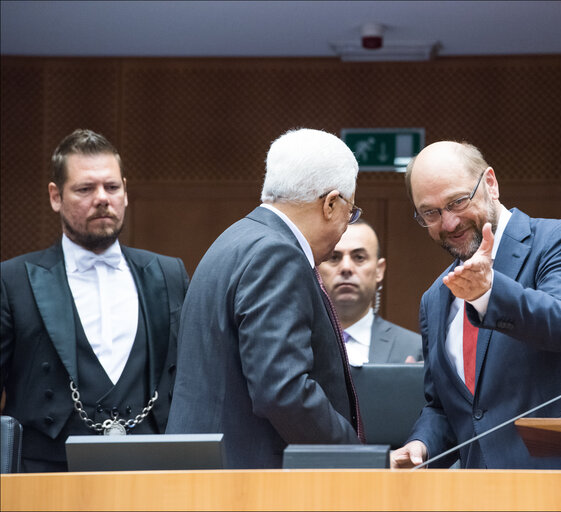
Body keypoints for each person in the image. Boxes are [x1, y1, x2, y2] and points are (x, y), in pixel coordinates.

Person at [390, 140, 561, 470]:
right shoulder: (435, 298)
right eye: (430, 213)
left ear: (490, 183)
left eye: (457, 202)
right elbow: (445, 408)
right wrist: (421, 444)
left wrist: (486, 293)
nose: (448, 223)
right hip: (487, 491)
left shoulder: (560, 241)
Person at [166, 128, 364, 469]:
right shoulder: (276, 254)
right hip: (247, 483)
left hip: (208, 473)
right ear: (331, 203)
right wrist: (356, 456)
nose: (348, 224)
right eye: (351, 211)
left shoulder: (234, 240)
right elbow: (283, 391)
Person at [0, 129, 189, 473]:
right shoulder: (12, 280)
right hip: (46, 477)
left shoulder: (168, 273)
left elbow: (193, 378)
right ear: (55, 196)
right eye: (85, 189)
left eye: (112, 187)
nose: (102, 198)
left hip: (153, 468)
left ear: (126, 192)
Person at [317, 219, 422, 365]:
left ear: (379, 270)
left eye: (359, 257)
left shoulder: (415, 349)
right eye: (334, 257)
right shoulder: (295, 344)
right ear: (316, 268)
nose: (346, 268)